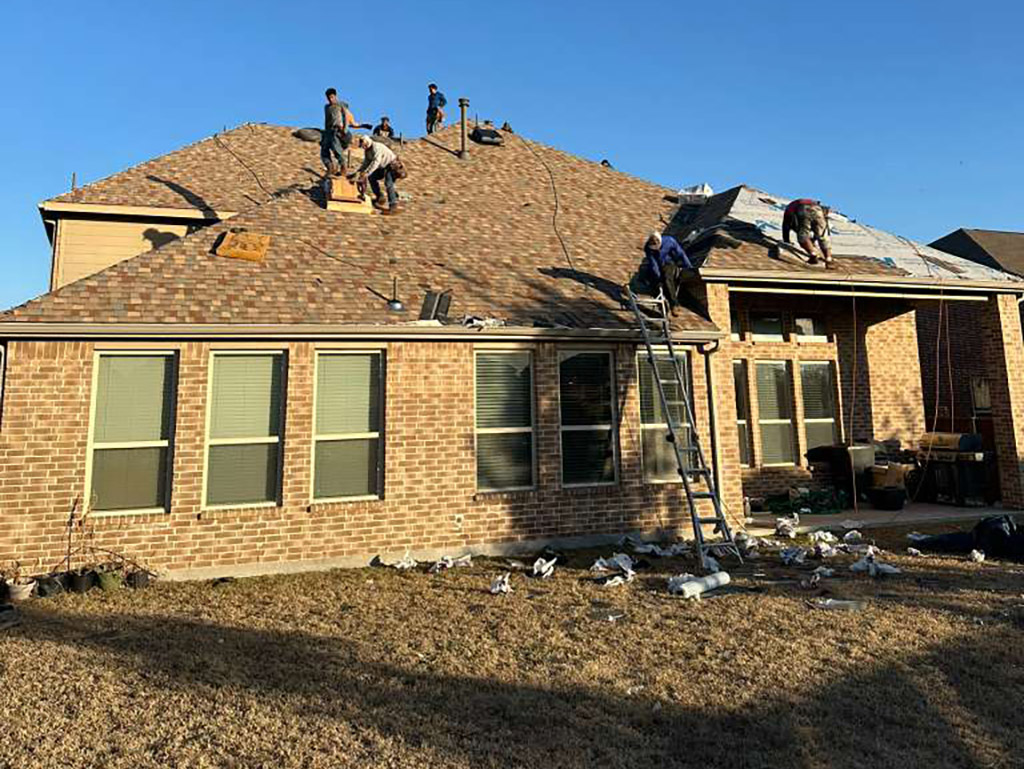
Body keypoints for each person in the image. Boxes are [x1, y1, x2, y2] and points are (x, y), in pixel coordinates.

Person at [321, 88, 370, 176]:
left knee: (336, 149)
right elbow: (327, 120)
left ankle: (343, 167)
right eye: (328, 98)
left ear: (335, 96)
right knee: (323, 151)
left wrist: (345, 129)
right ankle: (330, 167)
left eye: (332, 97)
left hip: (338, 130)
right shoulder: (326, 107)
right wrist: (325, 132)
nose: (330, 99)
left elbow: (346, 117)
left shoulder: (341, 105)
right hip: (329, 131)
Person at [639, 232, 692, 310]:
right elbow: (654, 264)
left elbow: (681, 254)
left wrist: (689, 267)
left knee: (667, 278)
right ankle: (662, 306)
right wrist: (658, 278)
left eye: (657, 247)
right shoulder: (648, 248)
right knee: (654, 282)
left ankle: (674, 304)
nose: (656, 249)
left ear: (660, 242)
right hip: (658, 265)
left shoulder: (669, 241)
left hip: (669, 263)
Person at [353, 135, 400, 214]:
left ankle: (393, 205)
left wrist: (366, 173)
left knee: (388, 183)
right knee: (372, 178)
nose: (363, 147)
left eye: (363, 145)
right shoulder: (367, 151)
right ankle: (380, 197)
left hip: (391, 165)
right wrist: (358, 171)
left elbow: (376, 162)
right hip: (382, 167)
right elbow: (366, 163)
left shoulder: (376, 147)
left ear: (367, 142)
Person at [782, 198, 833, 266]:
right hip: (818, 209)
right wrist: (813, 241)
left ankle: (813, 255)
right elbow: (818, 231)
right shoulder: (794, 207)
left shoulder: (789, 210)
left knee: (803, 236)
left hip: (803, 208)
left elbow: (786, 226)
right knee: (822, 236)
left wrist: (786, 241)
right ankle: (828, 259)